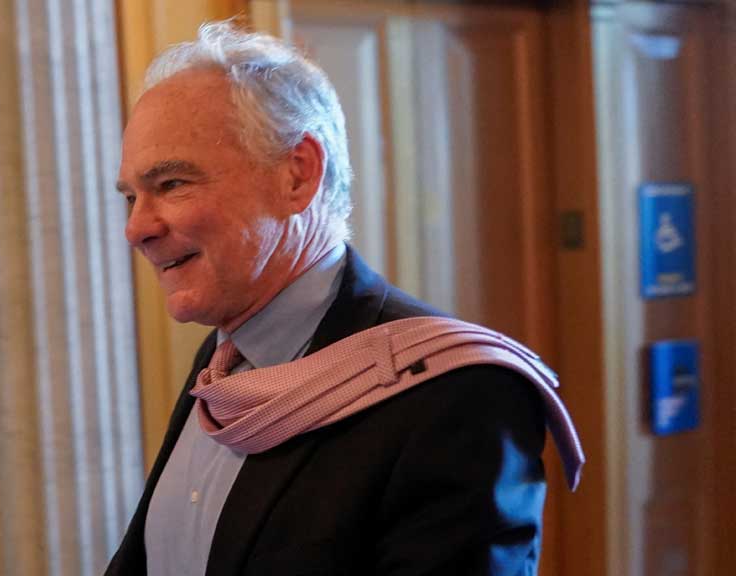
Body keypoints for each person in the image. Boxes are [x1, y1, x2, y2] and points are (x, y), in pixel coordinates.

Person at [108, 21, 577, 576]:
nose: (137, 228)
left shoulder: (457, 392)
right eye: (132, 196)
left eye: (172, 185)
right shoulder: (222, 362)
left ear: (297, 175)